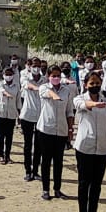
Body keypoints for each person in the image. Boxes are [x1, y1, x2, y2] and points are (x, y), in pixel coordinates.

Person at [71, 72, 106, 212]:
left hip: (102, 148)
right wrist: (94, 105)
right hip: (85, 147)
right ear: (85, 84)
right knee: (84, 182)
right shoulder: (79, 99)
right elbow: (82, 106)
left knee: (97, 184)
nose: (95, 86)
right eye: (92, 83)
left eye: (97, 83)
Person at [35, 62, 76, 200]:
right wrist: (54, 95)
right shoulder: (43, 87)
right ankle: (45, 189)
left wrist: (70, 129)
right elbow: (47, 93)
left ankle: (57, 189)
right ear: (48, 76)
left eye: (58, 76)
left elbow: (69, 111)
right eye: (53, 76)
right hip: (46, 129)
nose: (56, 78)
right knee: (46, 161)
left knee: (58, 162)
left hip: (61, 130)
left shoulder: (66, 90)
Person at [18, 58, 43, 182]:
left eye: (38, 65)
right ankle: (28, 171)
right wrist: (39, 89)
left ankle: (35, 171)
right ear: (30, 66)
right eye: (34, 65)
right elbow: (27, 86)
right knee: (28, 145)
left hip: (40, 117)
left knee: (38, 146)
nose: (36, 68)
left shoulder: (44, 80)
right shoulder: (25, 77)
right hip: (27, 115)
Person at [0, 64, 20, 165]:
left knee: (9, 136)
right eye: (6, 74)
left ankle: (7, 156)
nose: (8, 76)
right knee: (1, 135)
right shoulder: (0, 83)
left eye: (10, 74)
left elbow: (18, 101)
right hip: (1, 113)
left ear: (13, 75)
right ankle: (1, 155)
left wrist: (19, 114)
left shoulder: (16, 86)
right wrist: (7, 94)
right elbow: (1, 90)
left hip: (12, 114)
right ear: (3, 75)